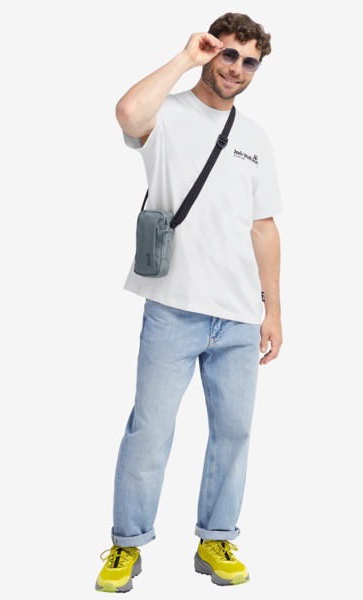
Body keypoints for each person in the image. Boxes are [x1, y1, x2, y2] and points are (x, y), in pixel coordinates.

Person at [95, 12, 283, 592]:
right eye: (228, 54)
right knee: (149, 431)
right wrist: (184, 59)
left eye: (249, 62)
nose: (237, 69)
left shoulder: (255, 138)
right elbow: (127, 113)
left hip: (238, 316)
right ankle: (127, 545)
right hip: (173, 308)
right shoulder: (169, 114)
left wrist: (273, 310)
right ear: (210, 49)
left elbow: (264, 227)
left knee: (234, 434)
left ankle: (216, 538)